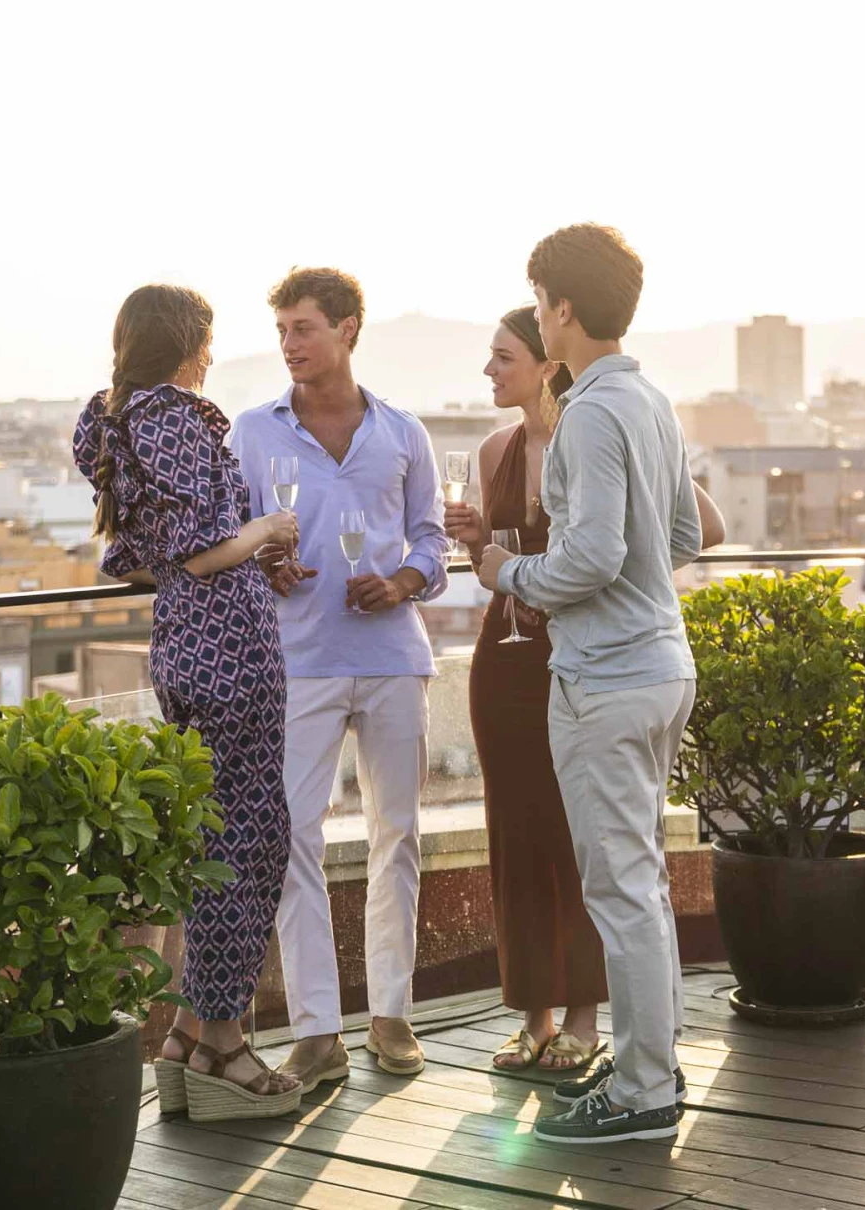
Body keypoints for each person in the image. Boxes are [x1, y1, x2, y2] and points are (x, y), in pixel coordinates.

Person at [448, 307, 724, 1078]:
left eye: (504, 355)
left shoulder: (599, 423)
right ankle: (538, 1018)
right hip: (508, 662)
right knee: (520, 836)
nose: (490, 371)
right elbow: (499, 561)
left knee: (593, 852)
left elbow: (691, 529)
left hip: (587, 660)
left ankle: (594, 1028)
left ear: (546, 358)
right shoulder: (498, 446)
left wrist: (567, 584)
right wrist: (480, 546)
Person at [72, 284, 303, 1122]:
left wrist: (254, 554)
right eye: (206, 338)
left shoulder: (116, 417)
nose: (212, 353)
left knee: (219, 838)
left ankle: (184, 1038)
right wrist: (268, 533)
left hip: (184, 642)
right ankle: (223, 1046)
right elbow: (202, 551)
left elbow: (155, 554)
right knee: (247, 844)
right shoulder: (175, 415)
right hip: (227, 647)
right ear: (184, 340)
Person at [231, 266, 450, 1088]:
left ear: (348, 328)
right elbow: (233, 538)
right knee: (292, 838)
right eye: (282, 329)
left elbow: (431, 538)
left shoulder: (402, 433)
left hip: (393, 656)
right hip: (298, 663)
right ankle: (318, 1029)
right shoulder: (253, 432)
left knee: (399, 833)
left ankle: (392, 1013)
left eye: (303, 328)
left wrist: (402, 581)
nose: (289, 344)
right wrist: (266, 567)